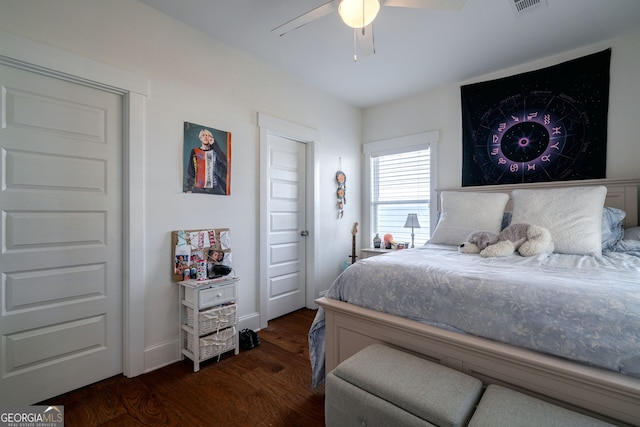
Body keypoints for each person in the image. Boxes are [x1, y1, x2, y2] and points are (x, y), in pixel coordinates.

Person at [185, 128, 228, 194]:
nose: (205, 137)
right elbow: (191, 170)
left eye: (208, 135)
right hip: (199, 188)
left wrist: (214, 144)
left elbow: (224, 161)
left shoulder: (215, 151)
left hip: (214, 189)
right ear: (200, 138)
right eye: (203, 135)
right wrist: (189, 188)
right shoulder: (195, 152)